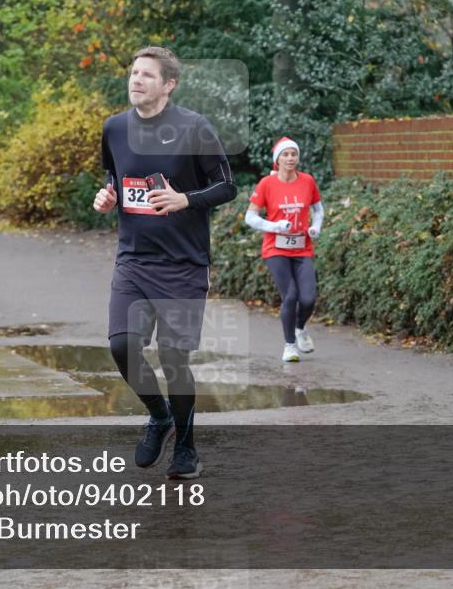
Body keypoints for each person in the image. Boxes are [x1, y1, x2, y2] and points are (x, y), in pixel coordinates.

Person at [93, 46, 236, 479]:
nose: (136, 80)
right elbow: (113, 177)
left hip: (184, 264)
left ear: (168, 85)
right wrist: (107, 196)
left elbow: (227, 185)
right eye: (133, 72)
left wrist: (184, 200)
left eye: (147, 75)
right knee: (123, 345)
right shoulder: (115, 128)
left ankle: (187, 449)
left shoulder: (194, 128)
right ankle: (159, 416)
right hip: (134, 260)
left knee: (174, 360)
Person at [245, 137, 323, 362]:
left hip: (302, 248)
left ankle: (300, 328)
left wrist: (316, 227)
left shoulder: (307, 181)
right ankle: (289, 346)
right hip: (275, 249)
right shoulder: (266, 184)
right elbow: (250, 217)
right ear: (277, 160)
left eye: (294, 154)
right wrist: (275, 226)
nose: (290, 158)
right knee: (290, 295)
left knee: (308, 298)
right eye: (285, 154)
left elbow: (318, 210)